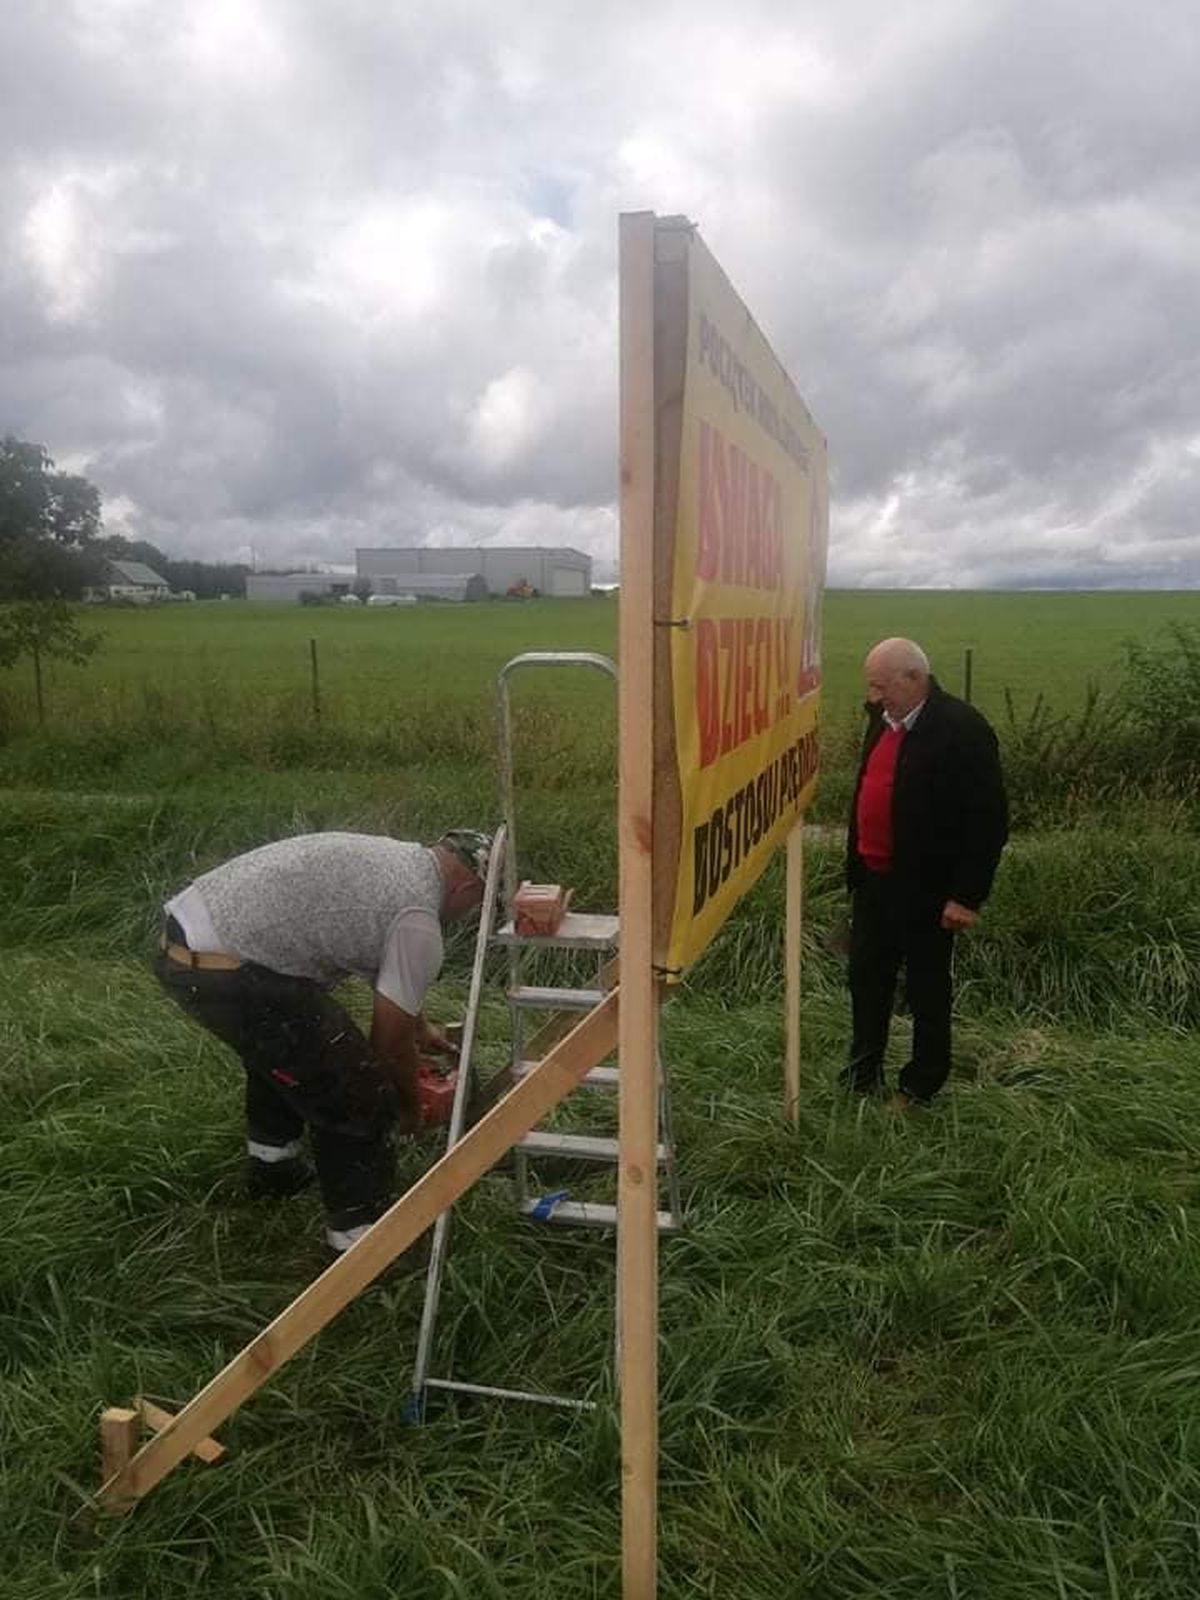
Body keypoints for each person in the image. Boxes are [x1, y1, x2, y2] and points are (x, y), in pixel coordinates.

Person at [155, 829, 491, 1253]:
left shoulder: (403, 863)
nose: (469, 912)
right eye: (476, 902)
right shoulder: (419, 919)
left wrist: (418, 1028)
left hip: (188, 943)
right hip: (229, 967)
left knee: (287, 1053)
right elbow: (388, 1046)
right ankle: (358, 1242)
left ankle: (273, 1171)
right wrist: (406, 1108)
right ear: (467, 885)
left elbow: (385, 964)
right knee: (357, 1087)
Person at [842, 638, 1007, 1111]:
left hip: (929, 893)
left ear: (913, 679)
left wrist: (967, 897)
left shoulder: (962, 729)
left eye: (880, 686)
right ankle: (862, 1073)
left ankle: (920, 1085)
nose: (873, 696)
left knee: (926, 990)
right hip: (874, 884)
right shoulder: (883, 721)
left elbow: (988, 821)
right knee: (867, 980)